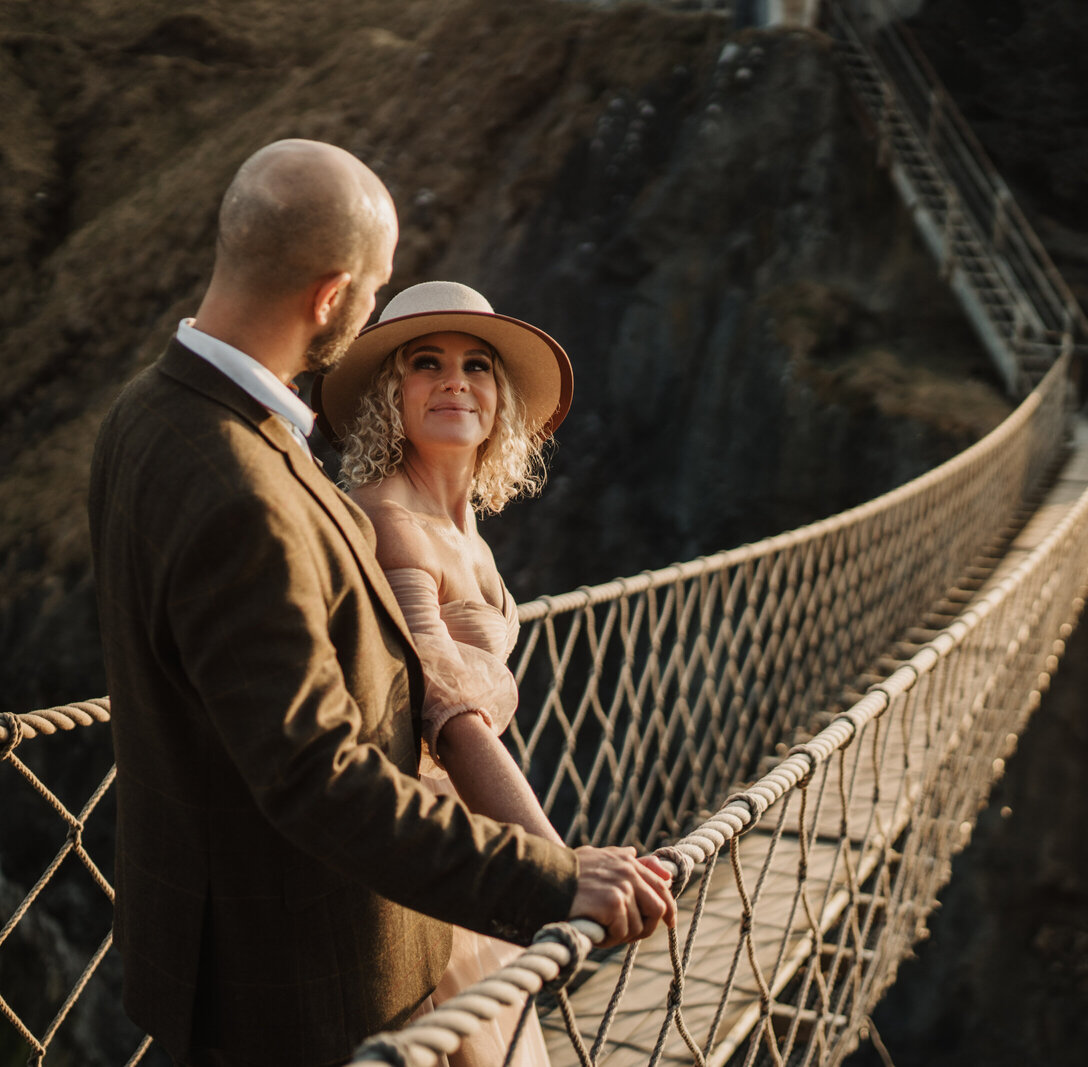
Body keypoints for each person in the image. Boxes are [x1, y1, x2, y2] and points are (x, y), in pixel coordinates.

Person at [87, 139, 675, 1067]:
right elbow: (314, 770)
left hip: (223, 933)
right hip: (298, 971)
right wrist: (553, 876)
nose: (368, 313)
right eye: (374, 291)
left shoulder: (143, 415)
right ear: (330, 297)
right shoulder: (244, 486)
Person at [314, 280, 575, 1067]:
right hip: (424, 857)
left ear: (501, 397)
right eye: (426, 363)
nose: (456, 380)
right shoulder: (390, 520)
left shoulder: (470, 537)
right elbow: (445, 710)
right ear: (391, 397)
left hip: (472, 845)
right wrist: (558, 870)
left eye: (477, 365)